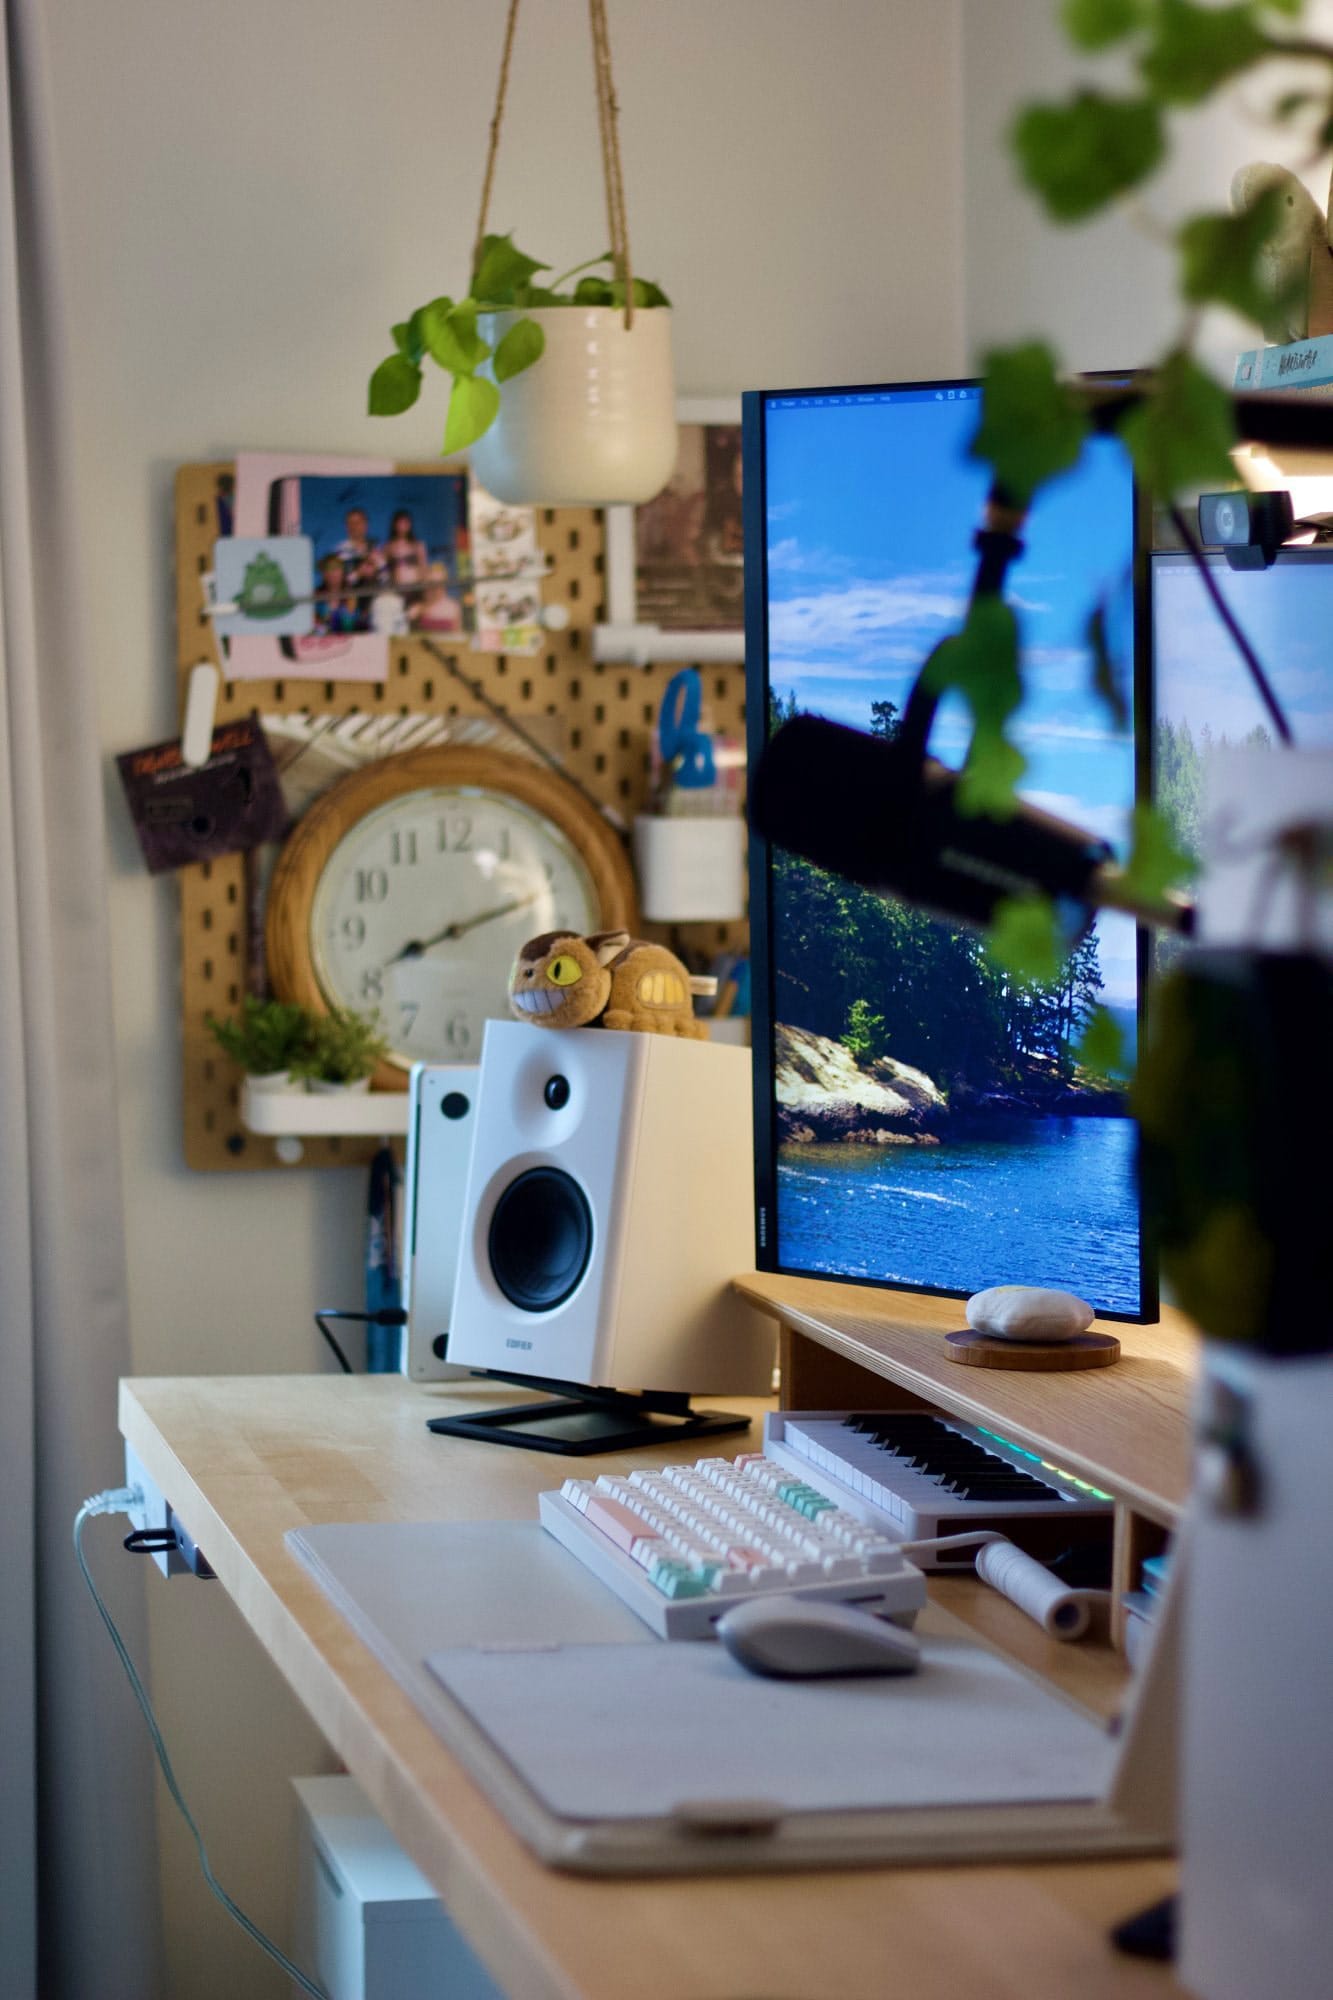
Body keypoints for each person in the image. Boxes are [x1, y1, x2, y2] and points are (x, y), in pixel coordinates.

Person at [377, 508, 430, 593]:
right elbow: (383, 569)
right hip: (397, 589)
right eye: (400, 522)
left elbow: (423, 566)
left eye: (405, 522)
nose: (402, 525)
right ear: (394, 525)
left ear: (410, 524)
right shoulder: (388, 547)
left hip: (416, 588)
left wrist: (424, 586)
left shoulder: (418, 545)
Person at [413, 561, 464, 633]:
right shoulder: (419, 608)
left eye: (439, 583)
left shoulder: (453, 607)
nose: (435, 587)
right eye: (431, 583)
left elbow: (458, 636)